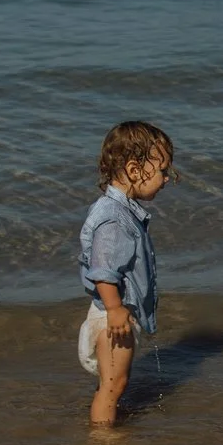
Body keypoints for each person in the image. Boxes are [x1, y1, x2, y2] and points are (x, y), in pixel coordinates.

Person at [77, 120, 173, 427]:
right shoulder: (114, 219)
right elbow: (103, 270)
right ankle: (103, 438)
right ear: (134, 170)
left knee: (113, 381)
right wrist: (116, 309)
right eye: (162, 171)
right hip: (111, 318)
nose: (166, 179)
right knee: (113, 386)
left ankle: (108, 420)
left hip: (111, 314)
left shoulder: (119, 211)